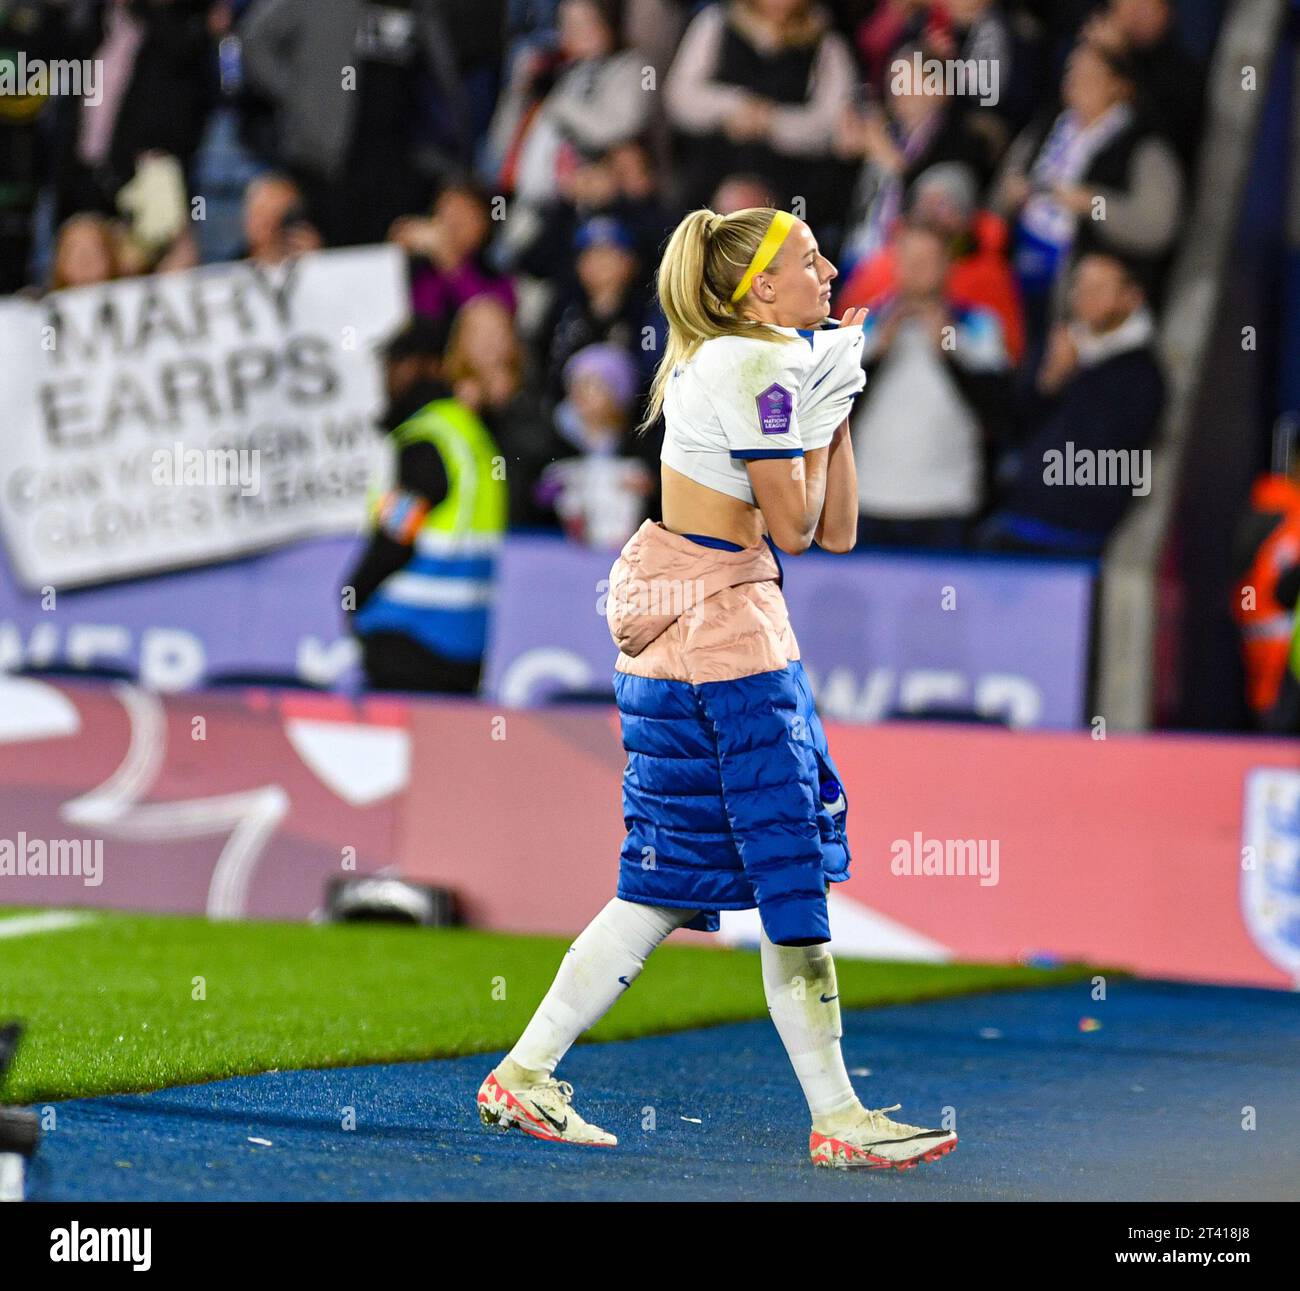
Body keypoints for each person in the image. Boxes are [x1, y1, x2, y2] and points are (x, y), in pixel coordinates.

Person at [476, 206, 959, 1171]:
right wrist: (822, 400)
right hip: (727, 643)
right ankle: (838, 1117)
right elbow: (794, 523)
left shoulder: (739, 357)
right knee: (791, 867)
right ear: (757, 289)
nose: (829, 270)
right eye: (808, 260)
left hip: (677, 643)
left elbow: (838, 529)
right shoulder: (756, 363)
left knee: (662, 880)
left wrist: (837, 401)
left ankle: (524, 1072)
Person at [346, 316, 507, 693]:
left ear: (423, 366)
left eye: (395, 364)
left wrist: (354, 591)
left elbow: (400, 528)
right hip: (465, 640)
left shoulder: (426, 438)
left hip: (409, 633)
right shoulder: (466, 431)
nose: (386, 376)